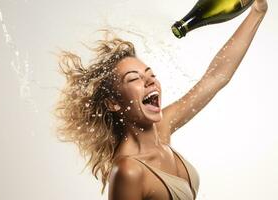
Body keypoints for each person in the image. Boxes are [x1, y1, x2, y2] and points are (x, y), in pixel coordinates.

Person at [54, 0, 268, 199]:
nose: (149, 82)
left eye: (151, 74)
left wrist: (257, 12)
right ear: (113, 102)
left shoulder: (162, 129)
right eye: (134, 79)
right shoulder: (129, 170)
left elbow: (215, 78)